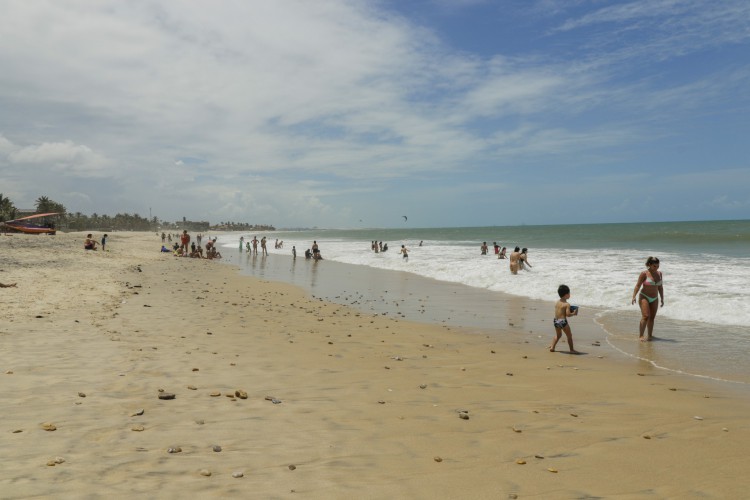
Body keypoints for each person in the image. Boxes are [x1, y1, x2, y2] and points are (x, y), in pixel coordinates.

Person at [632, 256, 664, 342]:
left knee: (652, 318)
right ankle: (641, 335)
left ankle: (650, 335)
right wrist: (634, 296)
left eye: (658, 266)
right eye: (654, 266)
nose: (656, 268)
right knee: (646, 316)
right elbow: (638, 285)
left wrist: (662, 298)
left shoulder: (660, 274)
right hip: (644, 297)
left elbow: (660, 287)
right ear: (649, 265)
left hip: (654, 298)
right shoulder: (644, 274)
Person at [550, 284, 579, 354]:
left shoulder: (557, 302)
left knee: (558, 335)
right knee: (569, 335)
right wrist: (574, 313)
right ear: (566, 295)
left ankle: (552, 347)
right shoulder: (567, 304)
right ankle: (571, 350)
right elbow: (568, 314)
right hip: (563, 321)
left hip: (556, 321)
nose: (570, 295)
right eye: (569, 293)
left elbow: (559, 311)